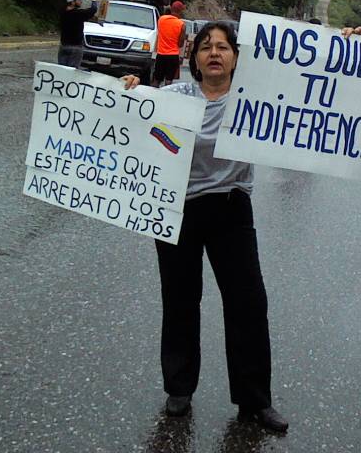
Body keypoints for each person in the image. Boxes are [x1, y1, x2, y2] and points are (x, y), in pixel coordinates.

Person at [123, 22, 288, 434]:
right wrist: (127, 88)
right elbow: (132, 109)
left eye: (223, 47)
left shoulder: (254, 100)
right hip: (175, 209)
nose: (214, 53)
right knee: (180, 299)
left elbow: (314, 92)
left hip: (232, 208)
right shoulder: (176, 96)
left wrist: (346, 51)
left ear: (235, 56)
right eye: (205, 47)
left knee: (249, 304)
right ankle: (179, 388)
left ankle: (255, 401)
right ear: (193, 57)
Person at [58, 0, 97, 68]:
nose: (81, 1)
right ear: (72, 2)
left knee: (61, 70)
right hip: (75, 47)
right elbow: (93, 10)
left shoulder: (63, 11)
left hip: (63, 46)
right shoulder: (78, 14)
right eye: (78, 0)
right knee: (72, 72)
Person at [153, 1, 187, 87]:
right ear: (180, 11)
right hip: (173, 55)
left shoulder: (161, 19)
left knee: (157, 79)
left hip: (160, 54)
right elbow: (180, 44)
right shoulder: (181, 25)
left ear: (171, 9)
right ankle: (165, 98)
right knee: (168, 81)